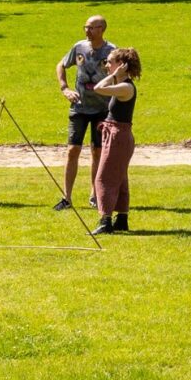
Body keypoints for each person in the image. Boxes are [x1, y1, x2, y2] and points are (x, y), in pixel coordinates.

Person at [55, 14, 112, 211]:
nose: (87, 31)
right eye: (85, 27)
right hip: (79, 107)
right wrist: (64, 88)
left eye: (91, 27)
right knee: (73, 150)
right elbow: (61, 65)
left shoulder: (111, 51)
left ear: (102, 29)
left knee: (97, 152)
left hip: (102, 109)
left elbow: (120, 76)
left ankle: (95, 195)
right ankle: (66, 197)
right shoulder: (79, 47)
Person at [88, 46, 140, 235]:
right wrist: (115, 74)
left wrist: (114, 75)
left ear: (122, 65)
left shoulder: (125, 87)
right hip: (117, 134)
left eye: (110, 61)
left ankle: (106, 220)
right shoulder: (123, 85)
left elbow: (98, 88)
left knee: (104, 177)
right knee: (119, 177)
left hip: (118, 135)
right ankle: (122, 219)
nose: (107, 65)